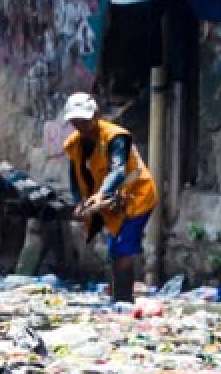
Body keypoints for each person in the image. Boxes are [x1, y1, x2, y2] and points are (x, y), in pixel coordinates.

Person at [61, 93, 159, 304]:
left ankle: (123, 300)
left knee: (122, 247)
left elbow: (117, 171)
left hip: (136, 196)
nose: (81, 126)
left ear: (95, 116)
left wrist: (100, 195)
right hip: (112, 200)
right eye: (75, 122)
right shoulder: (74, 144)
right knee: (115, 246)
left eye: (84, 121)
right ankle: (119, 297)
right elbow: (75, 174)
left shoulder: (115, 137)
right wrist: (80, 201)